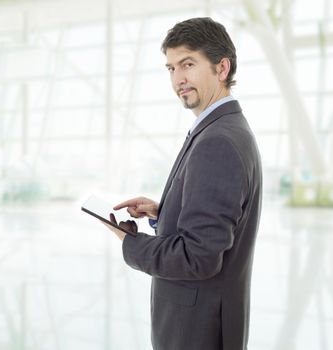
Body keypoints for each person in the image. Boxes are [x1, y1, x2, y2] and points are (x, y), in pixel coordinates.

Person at [104, 17, 262, 350]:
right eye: (171, 68)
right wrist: (163, 213)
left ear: (221, 68)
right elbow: (215, 228)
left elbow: (198, 258)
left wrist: (128, 240)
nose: (178, 79)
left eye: (187, 64)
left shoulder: (218, 141)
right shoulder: (222, 129)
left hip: (196, 334)